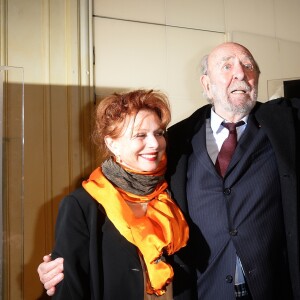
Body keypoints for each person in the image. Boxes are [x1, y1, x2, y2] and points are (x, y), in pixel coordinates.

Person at [38, 42, 300, 300]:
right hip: (205, 290)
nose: (241, 73)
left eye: (248, 65)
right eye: (227, 66)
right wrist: (57, 269)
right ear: (206, 84)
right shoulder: (181, 141)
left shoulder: (284, 127)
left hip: (272, 288)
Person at [38, 89, 189, 299]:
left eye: (159, 133)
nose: (155, 143)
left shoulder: (173, 191)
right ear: (112, 143)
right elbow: (69, 291)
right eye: (140, 135)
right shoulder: (81, 206)